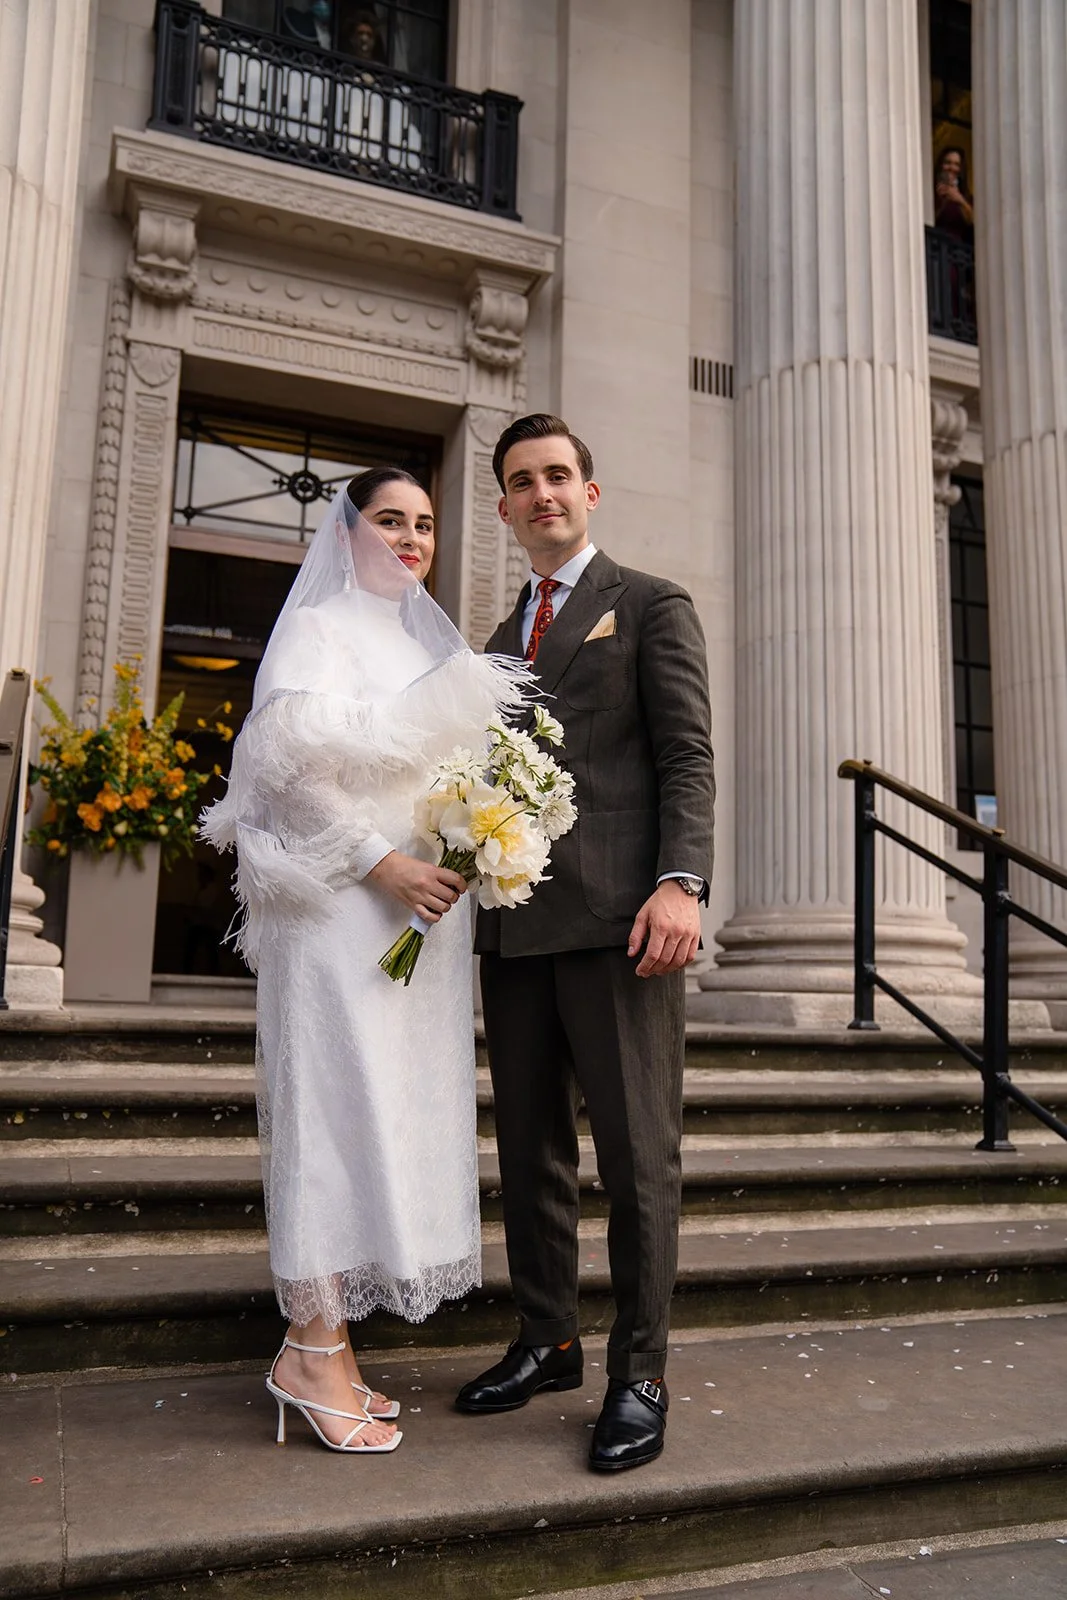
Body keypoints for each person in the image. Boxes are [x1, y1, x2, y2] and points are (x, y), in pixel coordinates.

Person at [202, 468, 529, 1454]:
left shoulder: (424, 638)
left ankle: (333, 1345)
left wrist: (484, 841)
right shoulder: (319, 627)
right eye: (391, 521)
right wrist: (380, 861)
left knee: (386, 1107)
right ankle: (308, 1341)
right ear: (350, 535)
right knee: (330, 1112)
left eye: (424, 524)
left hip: (418, 926)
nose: (411, 538)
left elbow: (452, 779)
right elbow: (288, 767)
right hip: (344, 910)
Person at [455, 415, 716, 1471]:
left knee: (636, 1159)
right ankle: (547, 1336)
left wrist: (680, 881)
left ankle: (639, 1370)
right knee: (529, 1155)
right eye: (521, 482)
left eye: (556, 475)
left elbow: (686, 756)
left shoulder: (648, 604)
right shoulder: (491, 643)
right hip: (515, 931)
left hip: (623, 929)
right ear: (506, 506)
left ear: (589, 491)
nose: (541, 494)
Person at [934, 147, 974, 242]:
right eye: (948, 163)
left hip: (957, 251)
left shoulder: (967, 198)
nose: (951, 168)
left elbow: (976, 223)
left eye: (956, 164)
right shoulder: (929, 193)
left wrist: (960, 200)